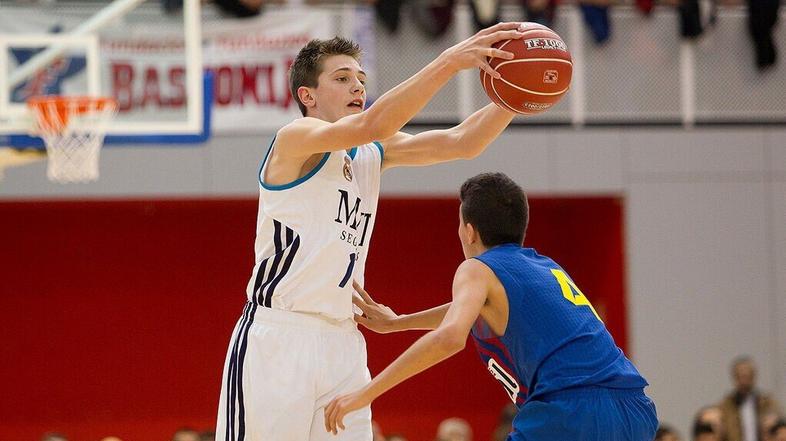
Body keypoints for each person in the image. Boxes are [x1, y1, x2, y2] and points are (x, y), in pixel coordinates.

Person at [215, 23, 529, 441]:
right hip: (280, 336)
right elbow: (376, 123)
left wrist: (521, 89)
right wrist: (450, 61)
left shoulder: (370, 151)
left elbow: (463, 141)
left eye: (360, 79)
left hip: (343, 341)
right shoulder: (294, 138)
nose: (357, 86)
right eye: (342, 78)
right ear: (308, 96)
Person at [324, 172, 658, 440]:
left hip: (569, 411)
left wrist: (365, 394)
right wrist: (399, 322)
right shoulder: (544, 267)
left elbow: (451, 336)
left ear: (469, 232)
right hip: (633, 409)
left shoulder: (476, 268)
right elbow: (473, 309)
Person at [719, 356, 783, 441]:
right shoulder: (726, 406)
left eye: (747, 376)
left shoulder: (767, 403)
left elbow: (779, 426)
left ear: (754, 376)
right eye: (740, 376)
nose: (744, 381)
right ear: (734, 377)